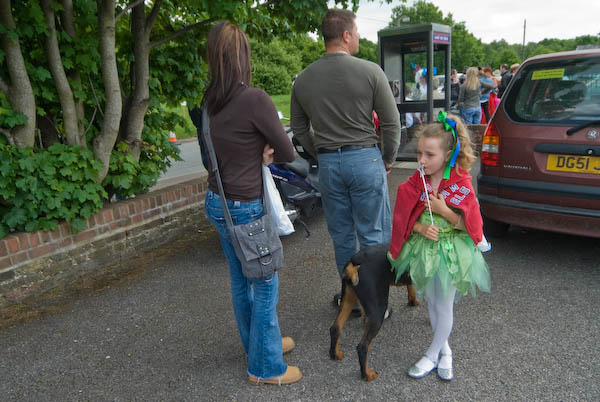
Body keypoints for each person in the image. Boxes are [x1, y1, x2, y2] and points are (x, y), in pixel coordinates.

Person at [200, 21, 301, 385]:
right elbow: (287, 151)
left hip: (217, 202)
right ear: (242, 56)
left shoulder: (208, 101)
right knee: (265, 284)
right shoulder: (254, 99)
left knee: (241, 281)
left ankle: (259, 345)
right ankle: (265, 368)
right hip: (246, 208)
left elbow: (209, 155)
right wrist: (263, 151)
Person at [291, 9, 401, 317]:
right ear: (346, 35)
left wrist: (319, 153)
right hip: (365, 158)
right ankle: (374, 303)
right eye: (357, 32)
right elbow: (392, 124)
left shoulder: (303, 80)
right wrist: (387, 158)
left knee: (341, 235)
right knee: (374, 234)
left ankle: (349, 299)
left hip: (329, 164)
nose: (359, 38)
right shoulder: (370, 71)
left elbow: (299, 128)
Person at [387, 111, 491, 381]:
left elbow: (468, 223)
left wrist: (443, 210)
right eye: (420, 153)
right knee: (432, 301)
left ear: (448, 154)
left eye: (429, 155)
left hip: (451, 252)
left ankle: (432, 354)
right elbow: (405, 217)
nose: (421, 160)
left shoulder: (460, 182)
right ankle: (446, 352)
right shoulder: (416, 181)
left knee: (444, 305)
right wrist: (420, 227)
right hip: (425, 250)